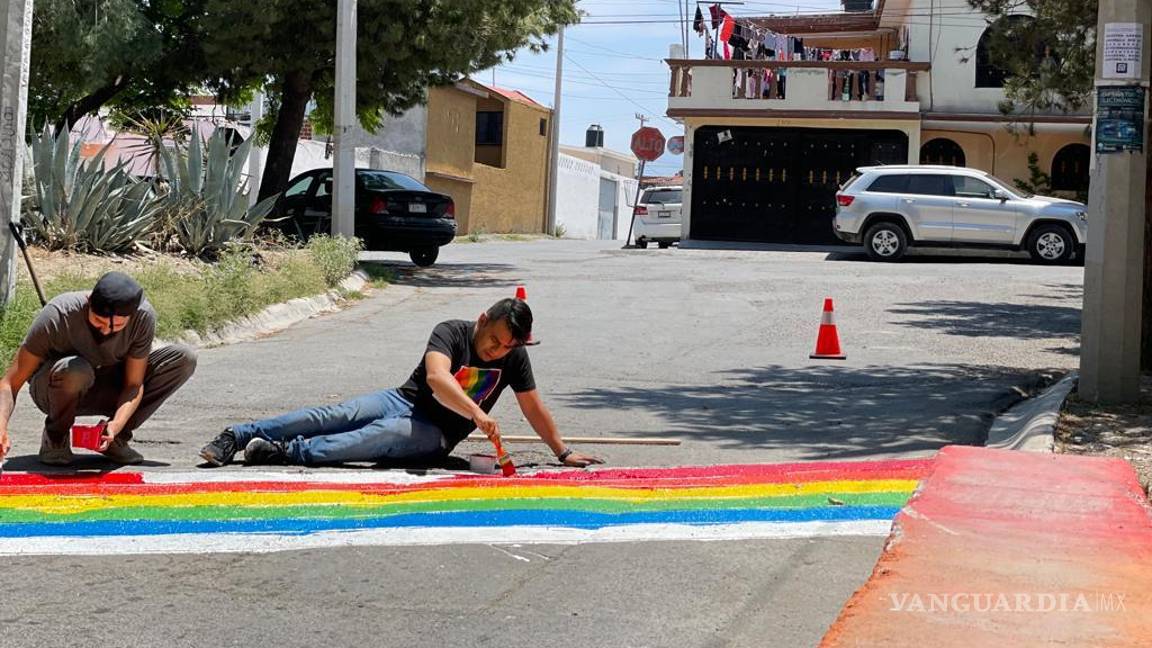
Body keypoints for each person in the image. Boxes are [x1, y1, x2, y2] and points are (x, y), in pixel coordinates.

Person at [200, 298, 601, 468]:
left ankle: (280, 452)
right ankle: (236, 435)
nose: (499, 351)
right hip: (403, 400)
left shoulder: (514, 356)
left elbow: (533, 406)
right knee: (337, 414)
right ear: (481, 321)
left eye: (507, 347)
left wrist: (562, 452)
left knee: (373, 437)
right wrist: (478, 412)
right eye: (495, 341)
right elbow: (437, 378)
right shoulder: (452, 331)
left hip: (436, 434)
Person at [0, 272, 197, 466]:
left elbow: (134, 384)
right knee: (76, 369)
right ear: (88, 302)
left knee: (184, 358)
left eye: (117, 325)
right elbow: (9, 383)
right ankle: (56, 437)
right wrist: (0, 427)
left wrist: (117, 425)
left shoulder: (143, 318)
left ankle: (113, 439)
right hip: (56, 388)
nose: (106, 330)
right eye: (98, 322)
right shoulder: (58, 314)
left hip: (108, 385)